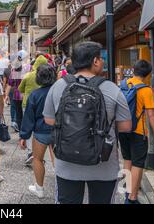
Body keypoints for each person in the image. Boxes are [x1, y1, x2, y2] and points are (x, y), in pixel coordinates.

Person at [43, 41, 132, 204]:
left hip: (66, 163)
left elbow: (49, 120)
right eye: (101, 58)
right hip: (103, 164)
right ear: (95, 61)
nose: (103, 61)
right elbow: (126, 126)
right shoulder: (112, 89)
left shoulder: (58, 86)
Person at [119, 60, 154, 204]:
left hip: (123, 129)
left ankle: (127, 191)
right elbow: (151, 115)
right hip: (139, 132)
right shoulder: (146, 90)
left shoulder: (123, 85)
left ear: (133, 70)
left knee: (127, 159)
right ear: (148, 74)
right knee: (138, 163)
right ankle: (132, 198)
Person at [20, 64, 57, 198]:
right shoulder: (58, 92)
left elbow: (29, 117)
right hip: (57, 131)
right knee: (57, 160)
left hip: (40, 131)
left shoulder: (35, 95)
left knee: (37, 159)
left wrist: (24, 135)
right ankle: (61, 186)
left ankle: (39, 188)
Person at [19, 55, 48, 165]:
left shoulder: (28, 75)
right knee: (41, 127)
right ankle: (40, 152)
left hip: (28, 103)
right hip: (44, 104)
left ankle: (31, 152)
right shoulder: (48, 75)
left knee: (29, 124)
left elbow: (20, 88)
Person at [5, 51, 29, 133]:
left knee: (19, 114)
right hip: (25, 95)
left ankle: (20, 131)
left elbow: (9, 84)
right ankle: (25, 131)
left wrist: (6, 96)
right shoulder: (28, 69)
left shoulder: (14, 70)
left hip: (16, 95)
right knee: (26, 114)